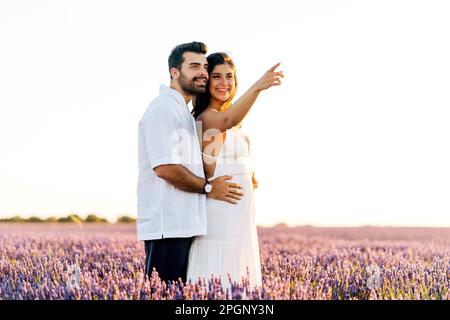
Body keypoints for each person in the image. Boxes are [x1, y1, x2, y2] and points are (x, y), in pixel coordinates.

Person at [137, 42, 244, 284]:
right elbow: (165, 168)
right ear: (174, 72)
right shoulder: (163, 108)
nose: (202, 73)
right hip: (169, 224)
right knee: (164, 291)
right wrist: (208, 187)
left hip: (183, 223)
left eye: (205, 67)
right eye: (194, 66)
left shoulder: (182, 111)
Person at [186, 52, 283, 291]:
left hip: (240, 208)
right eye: (216, 76)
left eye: (229, 76)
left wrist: (247, 173)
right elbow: (227, 121)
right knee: (221, 264)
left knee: (239, 259)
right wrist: (258, 87)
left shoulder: (231, 121)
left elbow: (223, 152)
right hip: (220, 209)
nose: (224, 83)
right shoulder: (207, 116)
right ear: (206, 82)